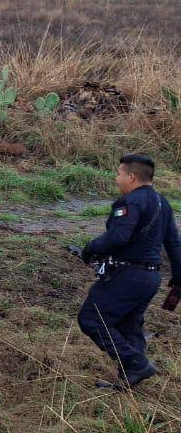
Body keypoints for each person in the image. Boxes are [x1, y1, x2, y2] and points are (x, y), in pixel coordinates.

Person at [76, 154, 181, 390]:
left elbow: (118, 237)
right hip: (150, 278)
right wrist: (178, 277)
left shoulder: (131, 202)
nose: (117, 178)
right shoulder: (162, 202)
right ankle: (128, 382)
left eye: (119, 174)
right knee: (128, 325)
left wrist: (90, 248)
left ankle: (136, 363)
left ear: (132, 177)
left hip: (128, 275)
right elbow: (174, 243)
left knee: (91, 319)